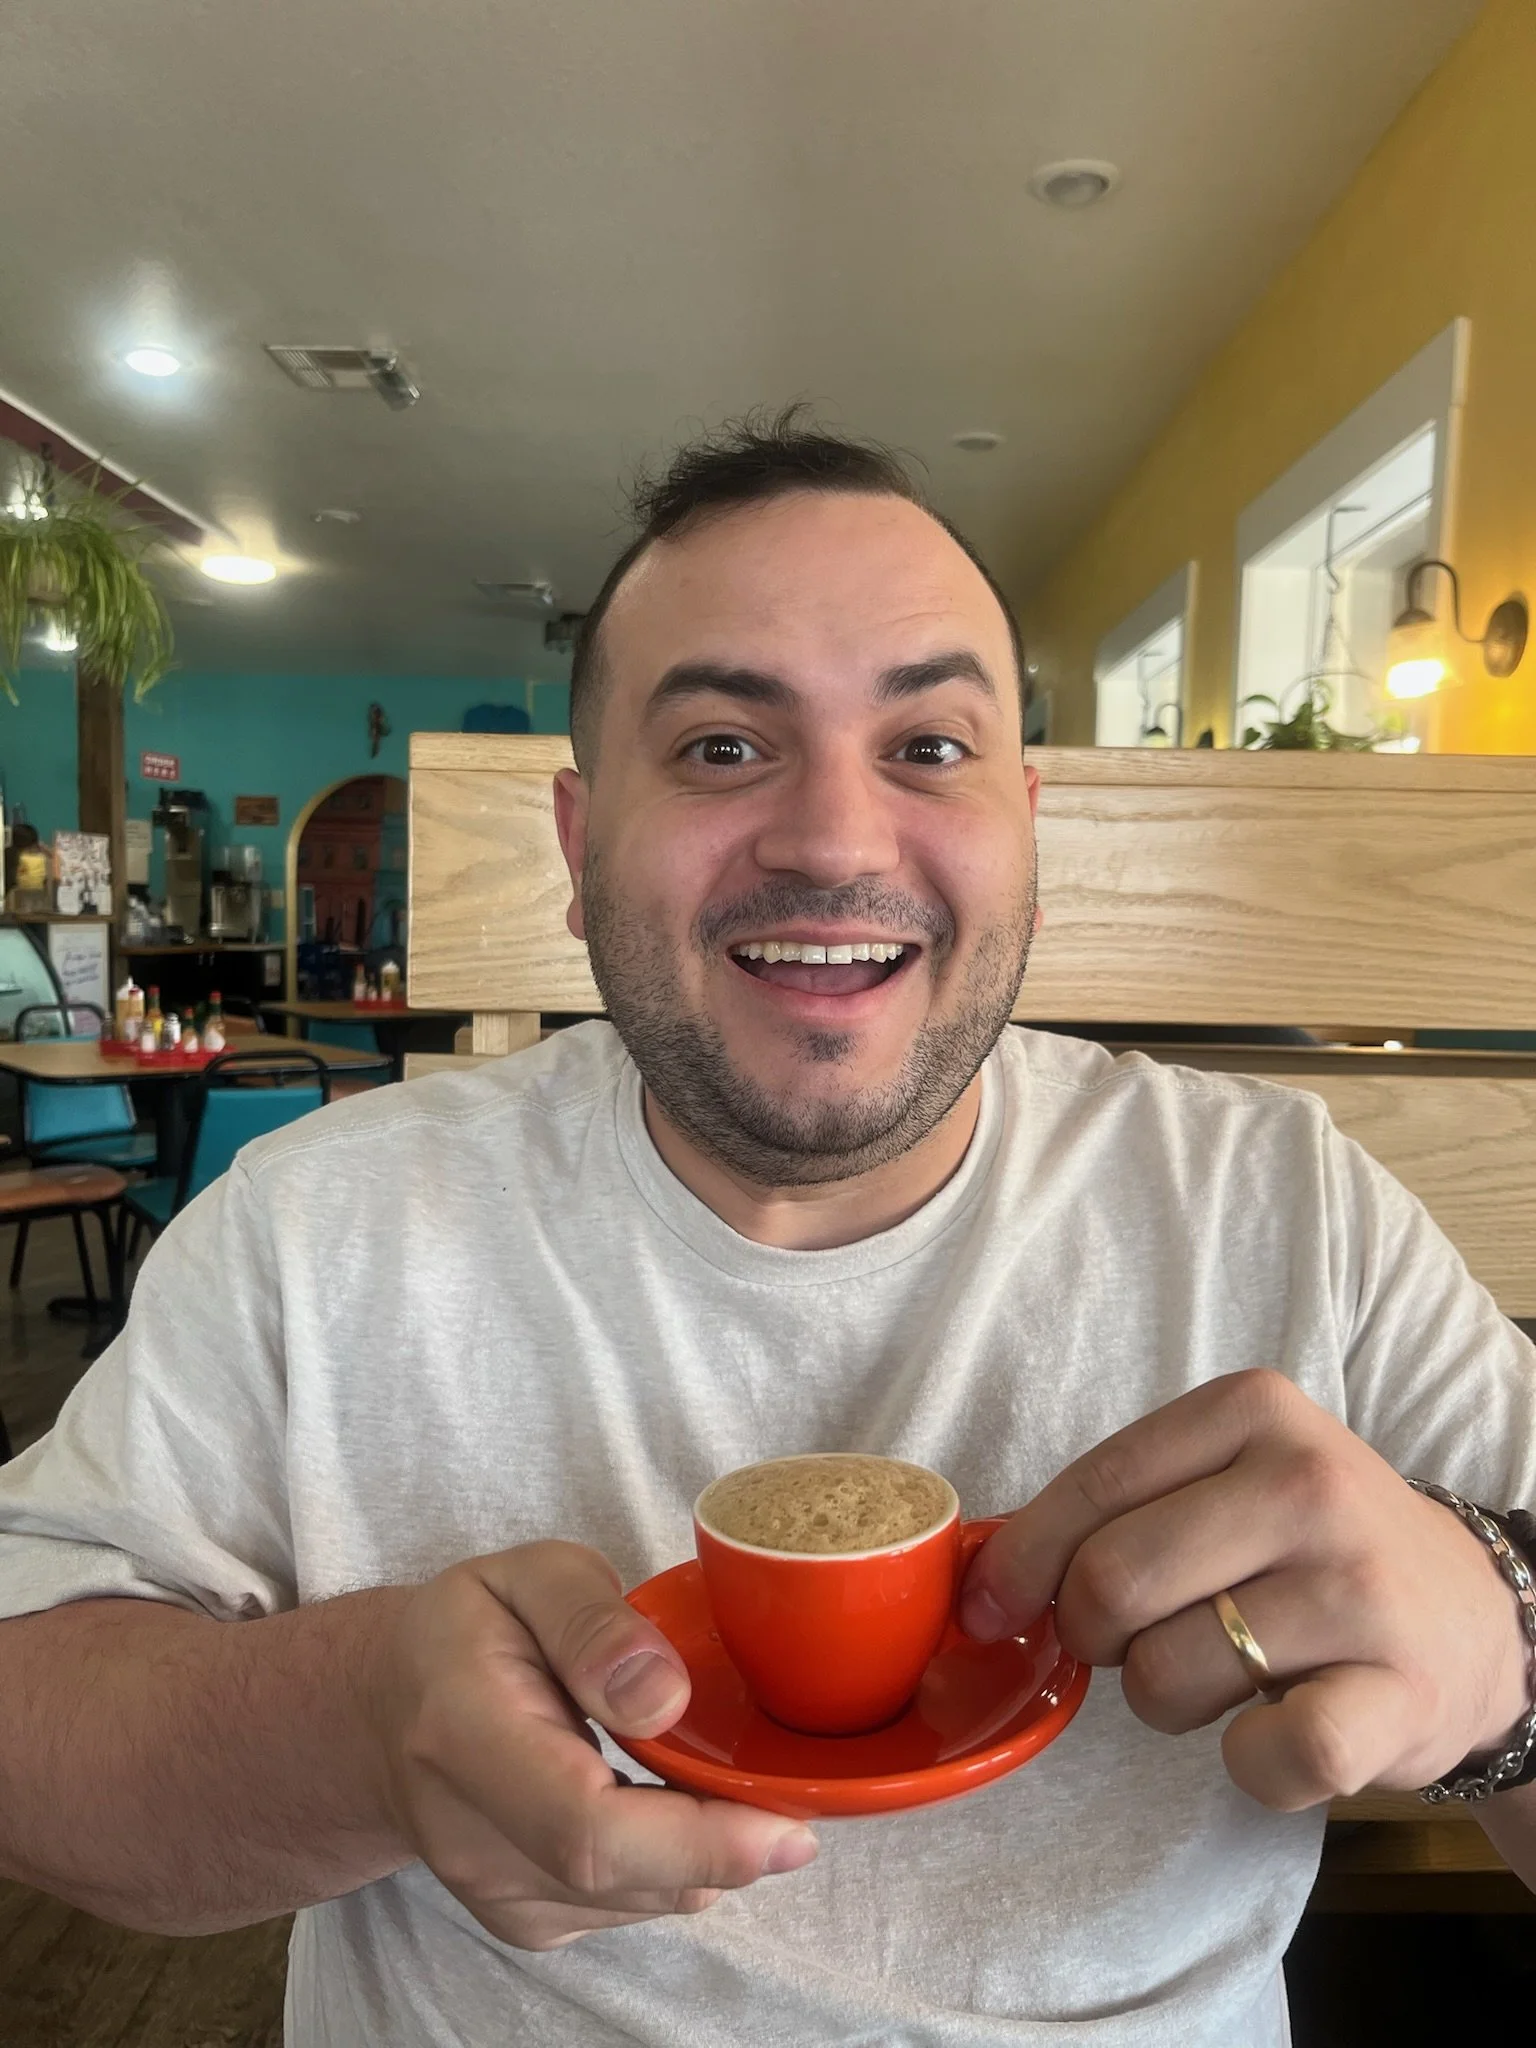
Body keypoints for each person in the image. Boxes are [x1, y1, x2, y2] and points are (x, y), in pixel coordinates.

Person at [1, 410, 1534, 2047]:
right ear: (580, 847)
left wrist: (1507, 1667)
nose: (834, 840)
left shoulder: (1286, 1207)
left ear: (1026, 828)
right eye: (724, 747)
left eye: (927, 746)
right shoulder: (319, 1224)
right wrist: (359, 1730)